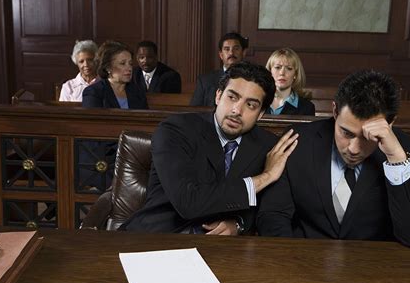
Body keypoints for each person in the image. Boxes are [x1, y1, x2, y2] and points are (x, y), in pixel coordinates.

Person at [257, 70, 410, 248]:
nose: (353, 149)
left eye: (368, 137)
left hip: (376, 269)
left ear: (390, 124)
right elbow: (273, 216)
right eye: (346, 132)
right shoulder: (298, 141)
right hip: (301, 263)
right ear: (335, 111)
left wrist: (396, 160)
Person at [121, 61, 298, 235]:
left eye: (250, 105)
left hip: (222, 251)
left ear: (260, 114)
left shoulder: (267, 146)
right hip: (158, 237)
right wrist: (265, 177)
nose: (237, 110)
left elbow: (270, 211)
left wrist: (238, 224)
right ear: (218, 96)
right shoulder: (176, 130)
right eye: (232, 97)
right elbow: (188, 202)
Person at [82, 41, 148, 109]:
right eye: (122, 63)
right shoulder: (94, 92)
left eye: (130, 64)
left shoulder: (138, 92)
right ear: (108, 68)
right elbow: (92, 119)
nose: (129, 68)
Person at [190, 32, 248, 106]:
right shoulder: (205, 81)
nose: (231, 53)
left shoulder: (252, 80)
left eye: (236, 49)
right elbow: (194, 111)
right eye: (227, 49)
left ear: (243, 52)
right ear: (221, 55)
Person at [265, 48, 315, 115]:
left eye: (289, 68)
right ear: (270, 71)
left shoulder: (307, 107)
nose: (282, 73)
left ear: (295, 74)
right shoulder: (260, 100)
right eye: (277, 67)